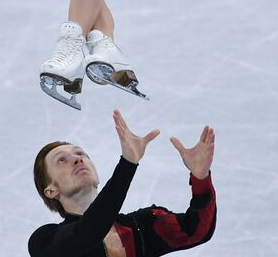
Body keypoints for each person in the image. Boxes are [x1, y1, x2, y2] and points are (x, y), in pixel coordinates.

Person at [29, 110, 216, 257]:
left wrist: (201, 178)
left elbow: (197, 231)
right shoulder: (45, 241)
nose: (77, 159)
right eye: (61, 160)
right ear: (51, 190)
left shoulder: (144, 225)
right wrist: (127, 165)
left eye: (81, 154)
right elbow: (88, 232)